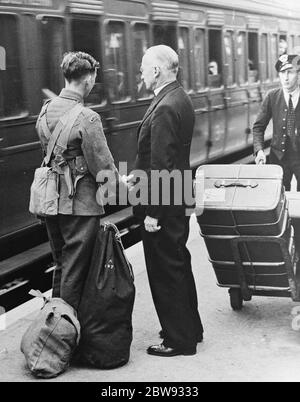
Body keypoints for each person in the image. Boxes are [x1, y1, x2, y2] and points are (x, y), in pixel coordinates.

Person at [129, 45, 204, 357]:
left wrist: (153, 213)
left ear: (157, 70)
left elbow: (161, 164)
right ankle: (191, 328)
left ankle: (177, 340)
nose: (142, 74)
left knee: (165, 270)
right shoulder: (180, 97)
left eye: (145, 68)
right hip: (179, 193)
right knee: (179, 262)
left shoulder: (162, 106)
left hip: (164, 201)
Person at [35, 51, 119, 310]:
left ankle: (54, 326)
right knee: (77, 269)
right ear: (88, 79)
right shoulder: (87, 117)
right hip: (80, 205)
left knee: (62, 263)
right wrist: (118, 186)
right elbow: (103, 167)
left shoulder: (45, 110)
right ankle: (68, 334)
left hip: (50, 202)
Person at [253, 54, 300, 191]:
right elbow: (258, 127)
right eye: (282, 73)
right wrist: (259, 150)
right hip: (278, 158)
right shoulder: (272, 96)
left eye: (290, 72)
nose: (285, 77)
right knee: (278, 197)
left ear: (298, 74)